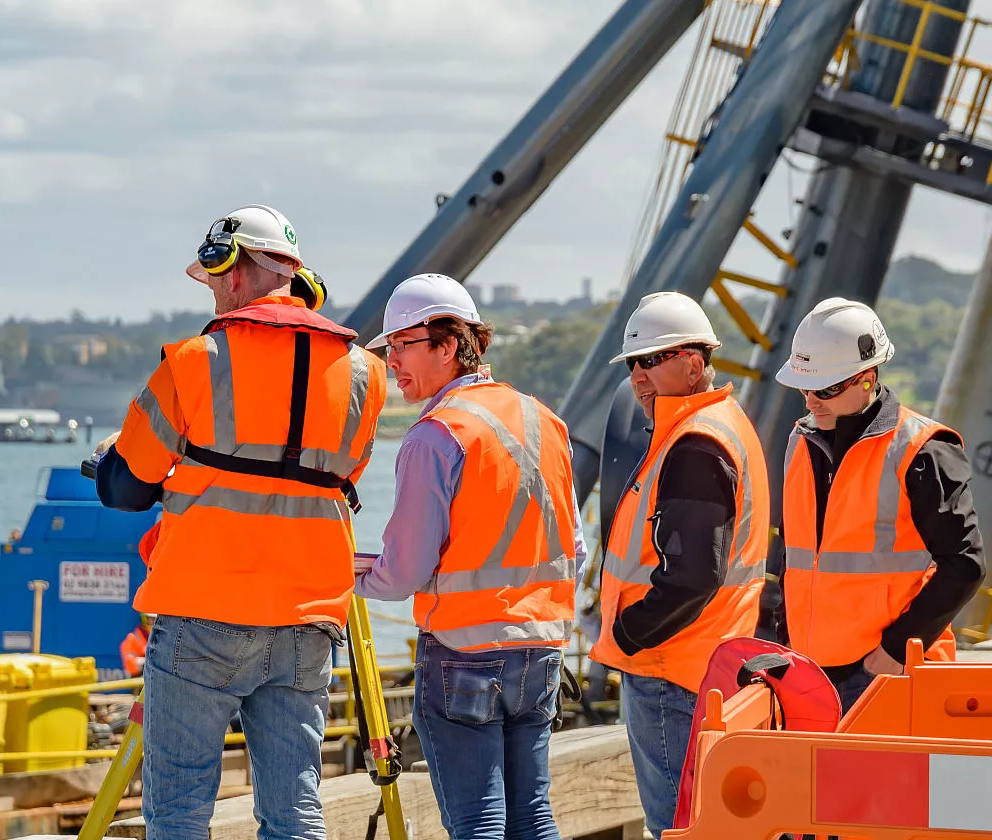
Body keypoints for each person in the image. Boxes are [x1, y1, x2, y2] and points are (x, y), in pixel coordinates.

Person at [88, 204, 386, 840]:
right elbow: (335, 478)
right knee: (294, 814)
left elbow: (124, 489)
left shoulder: (194, 361)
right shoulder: (366, 374)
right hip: (307, 619)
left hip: (202, 613)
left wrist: (109, 462)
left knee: (178, 814)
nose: (216, 293)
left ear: (237, 268)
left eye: (218, 276)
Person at [354, 273, 583, 840]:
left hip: (464, 654)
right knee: (534, 816)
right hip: (542, 649)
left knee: (479, 823)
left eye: (402, 347)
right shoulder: (544, 421)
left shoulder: (436, 435)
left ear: (448, 344)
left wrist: (352, 576)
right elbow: (573, 546)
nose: (392, 364)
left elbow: (404, 572)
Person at [589, 291, 769, 837]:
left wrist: (628, 633)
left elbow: (691, 576)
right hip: (709, 662)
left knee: (673, 825)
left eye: (652, 361)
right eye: (634, 365)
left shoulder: (694, 444)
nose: (639, 377)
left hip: (672, 668)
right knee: (703, 823)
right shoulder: (723, 424)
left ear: (694, 362)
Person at [771, 297, 984, 711]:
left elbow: (965, 564)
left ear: (867, 378)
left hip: (889, 672)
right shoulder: (800, 441)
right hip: (810, 671)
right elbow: (793, 559)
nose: (811, 401)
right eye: (804, 387)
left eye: (826, 389)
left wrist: (896, 649)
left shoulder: (923, 450)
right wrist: (785, 643)